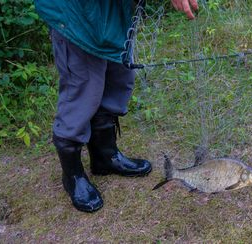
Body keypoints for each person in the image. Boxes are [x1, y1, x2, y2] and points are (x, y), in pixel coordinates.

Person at [34, 0, 199, 212]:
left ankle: (105, 156)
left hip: (110, 12)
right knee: (84, 89)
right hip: (75, 13)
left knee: (119, 76)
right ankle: (73, 175)